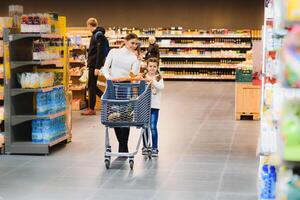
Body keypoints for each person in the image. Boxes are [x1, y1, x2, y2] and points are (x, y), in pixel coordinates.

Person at [101, 33, 141, 153]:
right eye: (132, 43)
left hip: (126, 87)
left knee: (125, 116)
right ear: (126, 41)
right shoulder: (114, 52)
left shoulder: (134, 58)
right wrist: (109, 78)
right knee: (114, 116)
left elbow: (134, 75)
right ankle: (122, 144)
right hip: (112, 87)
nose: (134, 45)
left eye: (136, 44)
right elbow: (105, 68)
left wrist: (138, 61)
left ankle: (123, 146)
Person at [82, 18, 108, 115]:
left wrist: (97, 67)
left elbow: (100, 52)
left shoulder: (99, 34)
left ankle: (91, 108)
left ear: (89, 25)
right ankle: (105, 98)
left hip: (94, 65)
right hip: (92, 64)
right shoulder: (96, 34)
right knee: (91, 85)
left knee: (91, 86)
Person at [142, 57, 164, 157]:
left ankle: (155, 147)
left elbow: (161, 87)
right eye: (150, 66)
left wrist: (152, 80)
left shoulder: (159, 77)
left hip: (155, 106)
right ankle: (145, 146)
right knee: (144, 127)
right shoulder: (143, 76)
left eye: (154, 67)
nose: (152, 68)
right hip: (144, 106)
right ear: (147, 67)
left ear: (157, 67)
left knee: (153, 127)